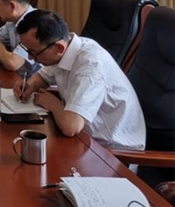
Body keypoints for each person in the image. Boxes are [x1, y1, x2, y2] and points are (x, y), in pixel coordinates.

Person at [13, 10, 146, 150]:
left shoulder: (91, 67)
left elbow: (71, 127)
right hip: (84, 138)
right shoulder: (68, 48)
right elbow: (43, 76)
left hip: (112, 151)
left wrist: (53, 104)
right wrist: (29, 85)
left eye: (34, 52)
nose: (30, 58)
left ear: (59, 48)